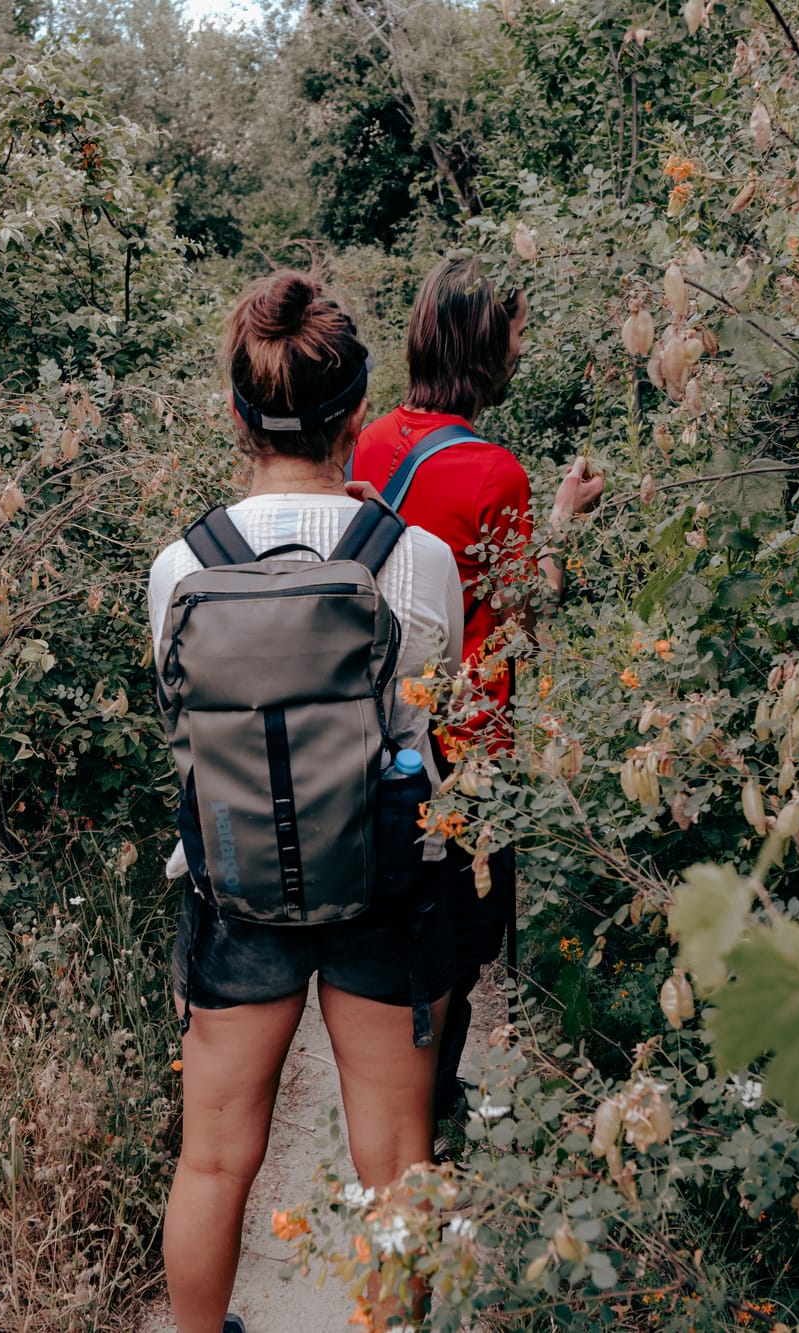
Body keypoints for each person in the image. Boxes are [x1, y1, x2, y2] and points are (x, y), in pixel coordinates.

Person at [149, 270, 466, 1333]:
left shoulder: (181, 567)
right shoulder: (416, 559)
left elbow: (183, 723)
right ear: (360, 410)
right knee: (398, 1160)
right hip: (384, 879)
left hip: (236, 884)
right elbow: (432, 710)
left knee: (211, 1157)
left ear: (236, 412)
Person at [350, 256, 605, 1126]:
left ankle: (400, 1102)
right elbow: (523, 615)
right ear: (486, 344)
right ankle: (430, 1111)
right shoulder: (496, 473)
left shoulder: (368, 442)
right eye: (518, 330)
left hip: (377, 735)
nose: (523, 347)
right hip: (467, 754)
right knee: (461, 940)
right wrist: (562, 521)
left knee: (397, 927)